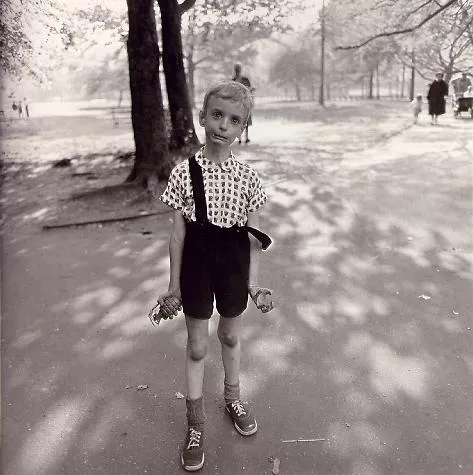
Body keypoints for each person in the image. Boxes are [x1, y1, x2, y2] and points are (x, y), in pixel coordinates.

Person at [157, 80, 274, 472]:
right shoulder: (183, 173)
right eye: (217, 115)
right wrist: (172, 286)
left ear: (244, 128)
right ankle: (195, 424)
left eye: (235, 120)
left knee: (229, 335)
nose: (223, 125)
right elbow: (177, 235)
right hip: (196, 264)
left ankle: (233, 397)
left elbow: (255, 239)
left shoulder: (249, 180)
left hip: (233, 266)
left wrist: (254, 285)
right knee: (196, 347)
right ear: (203, 117)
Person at [232, 63, 255, 144]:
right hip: (239, 104)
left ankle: (244, 138)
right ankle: (241, 138)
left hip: (244, 103)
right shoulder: (234, 80)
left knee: (244, 121)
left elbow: (250, 89)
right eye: (236, 69)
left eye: (238, 69)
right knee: (241, 121)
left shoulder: (241, 79)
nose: (237, 70)